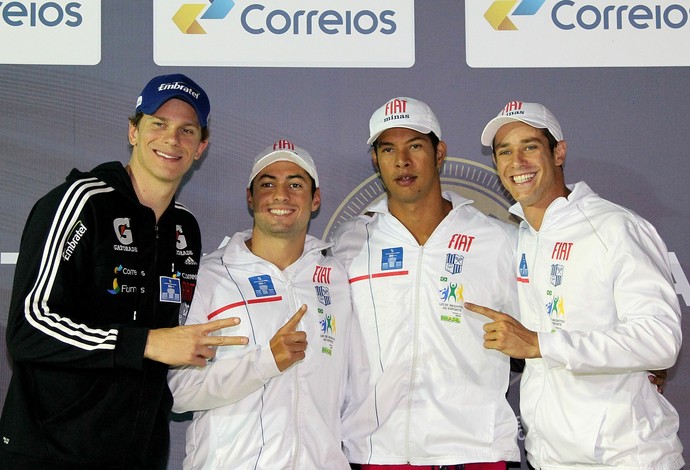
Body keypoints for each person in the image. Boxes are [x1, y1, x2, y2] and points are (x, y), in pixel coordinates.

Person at [0, 74, 248, 470]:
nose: (172, 139)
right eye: (158, 124)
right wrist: (144, 343)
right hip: (51, 451)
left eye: (187, 130)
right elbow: (29, 328)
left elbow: (177, 337)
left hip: (139, 454)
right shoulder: (81, 202)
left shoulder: (185, 229)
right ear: (133, 131)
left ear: (201, 147)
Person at [465, 100, 684, 468]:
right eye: (505, 152)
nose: (516, 162)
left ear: (559, 152)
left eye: (530, 147)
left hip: (628, 458)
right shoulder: (521, 238)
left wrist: (540, 344)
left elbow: (659, 340)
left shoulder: (615, 227)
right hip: (549, 457)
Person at [332, 97, 520, 469]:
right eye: (388, 149)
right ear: (376, 160)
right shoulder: (348, 244)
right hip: (376, 453)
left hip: (475, 452)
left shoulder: (497, 239)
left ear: (439, 153)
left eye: (415, 146)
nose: (402, 160)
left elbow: (548, 329)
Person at [168, 139, 357, 469]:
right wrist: (264, 362)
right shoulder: (209, 277)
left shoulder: (337, 276)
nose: (281, 195)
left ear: (315, 200)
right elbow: (178, 392)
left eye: (295, 184)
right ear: (250, 198)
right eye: (267, 184)